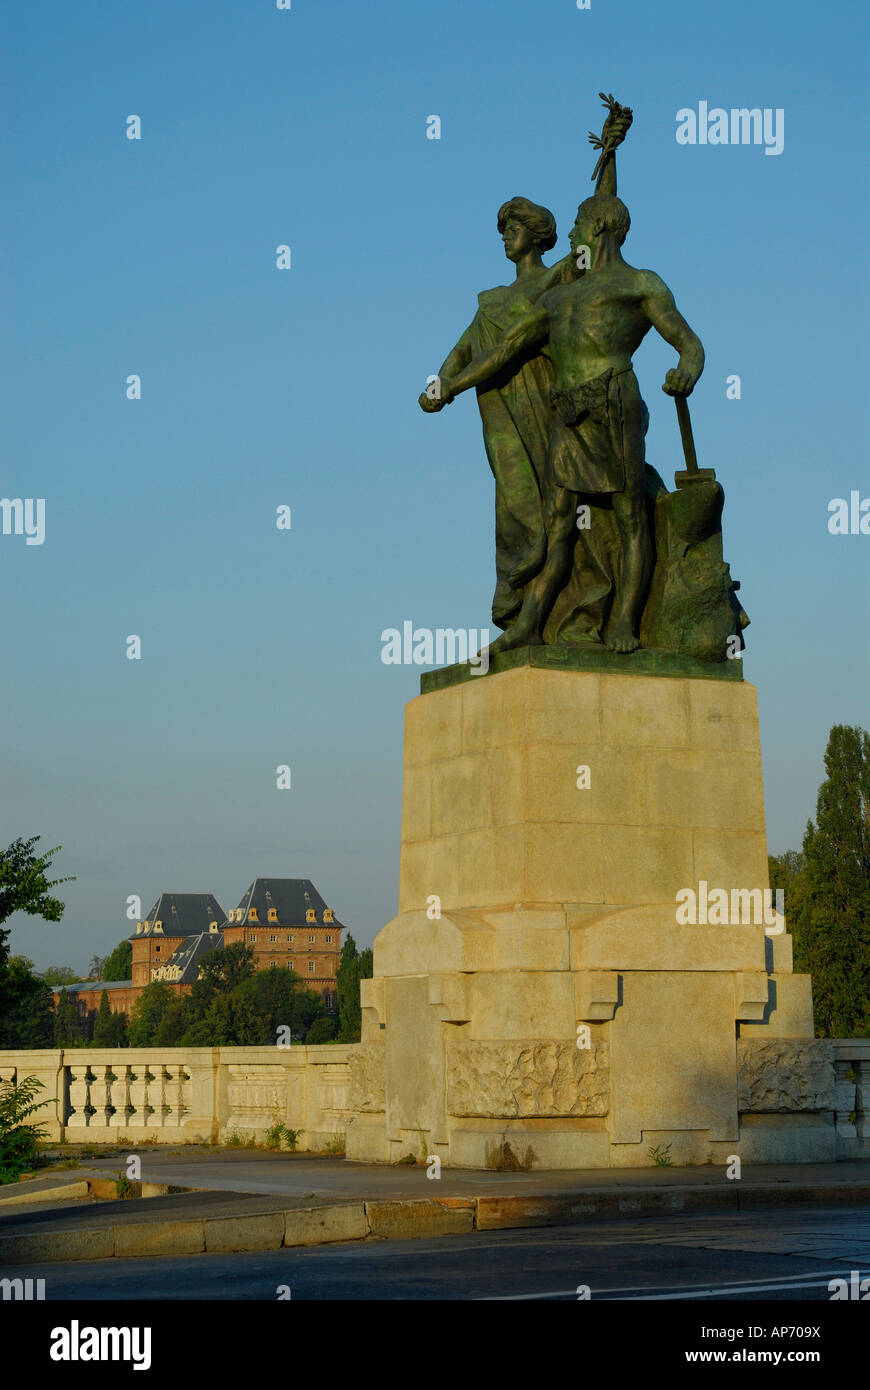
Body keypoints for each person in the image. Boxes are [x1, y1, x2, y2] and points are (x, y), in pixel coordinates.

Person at [421, 191, 704, 654]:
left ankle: (624, 624)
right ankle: (529, 623)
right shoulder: (562, 297)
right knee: (557, 524)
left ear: (599, 228)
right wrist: (448, 388)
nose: (571, 235)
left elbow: (690, 345)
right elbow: (507, 347)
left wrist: (685, 373)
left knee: (631, 518)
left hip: (614, 403)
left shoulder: (641, 285)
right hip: (568, 410)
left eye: (577, 224)